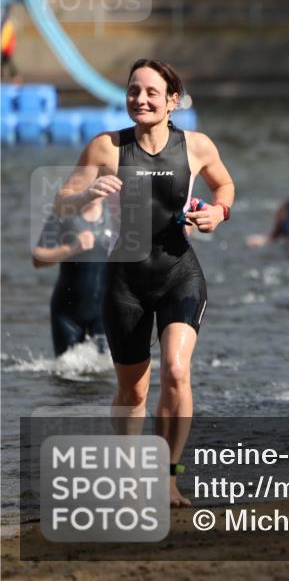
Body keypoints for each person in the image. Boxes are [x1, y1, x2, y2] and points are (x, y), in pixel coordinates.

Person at [54, 59, 234, 507]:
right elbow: (61, 203)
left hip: (179, 273)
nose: (141, 99)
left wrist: (219, 212)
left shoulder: (196, 145)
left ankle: (169, 476)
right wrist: (86, 195)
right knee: (133, 390)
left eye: (152, 92)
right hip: (125, 281)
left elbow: (224, 185)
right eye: (134, 91)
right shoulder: (106, 147)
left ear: (172, 100)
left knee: (176, 369)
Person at [31, 197, 113, 356]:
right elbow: (37, 259)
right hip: (67, 314)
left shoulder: (116, 214)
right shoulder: (62, 213)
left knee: (107, 369)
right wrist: (71, 248)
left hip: (105, 311)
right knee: (66, 369)